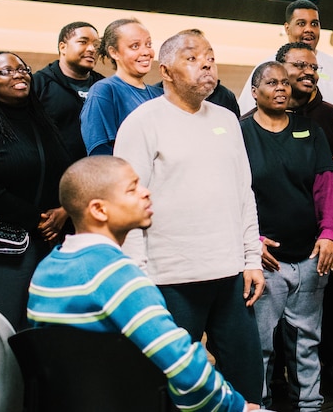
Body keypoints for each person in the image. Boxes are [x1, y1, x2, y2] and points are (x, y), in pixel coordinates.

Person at [113, 28, 264, 404]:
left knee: (246, 375)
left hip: (229, 276)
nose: (206, 64)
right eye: (193, 57)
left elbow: (243, 193)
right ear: (166, 70)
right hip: (169, 277)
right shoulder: (143, 122)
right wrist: (138, 273)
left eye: (210, 56)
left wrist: (252, 259)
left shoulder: (228, 120)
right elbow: (126, 203)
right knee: (167, 383)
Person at [27, 156, 247, 412]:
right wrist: (236, 407)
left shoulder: (45, 271)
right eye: (132, 189)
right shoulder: (116, 275)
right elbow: (182, 366)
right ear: (99, 210)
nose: (146, 193)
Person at [240, 61, 333, 411]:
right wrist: (251, 244)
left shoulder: (308, 130)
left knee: (306, 342)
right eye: (271, 83)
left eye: (284, 82)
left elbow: (326, 186)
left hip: (311, 257)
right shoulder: (240, 133)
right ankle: (259, 405)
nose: (280, 88)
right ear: (255, 92)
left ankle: (309, 406)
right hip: (263, 262)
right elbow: (232, 196)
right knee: (260, 344)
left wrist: (329, 233)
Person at [0, 52, 72, 330]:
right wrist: (38, 219)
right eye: (6, 71)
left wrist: (62, 210)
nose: (18, 74)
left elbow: (63, 174)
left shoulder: (45, 126)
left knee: (38, 329)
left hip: (46, 240)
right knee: (2, 329)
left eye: (22, 69)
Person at [237, 0, 333, 114]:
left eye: (314, 24)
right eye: (301, 23)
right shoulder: (265, 69)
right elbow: (245, 114)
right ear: (287, 28)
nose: (309, 29)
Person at [80, 18, 162, 156]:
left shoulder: (160, 95)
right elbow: (101, 154)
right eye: (135, 46)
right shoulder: (104, 91)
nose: (146, 52)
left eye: (148, 44)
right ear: (114, 52)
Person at [33, 21, 104, 161]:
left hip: (95, 174)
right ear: (63, 47)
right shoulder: (38, 84)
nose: (92, 49)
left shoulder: (104, 87)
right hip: (52, 176)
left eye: (96, 45)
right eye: (83, 42)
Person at [277, 42, 333, 154]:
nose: (310, 72)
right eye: (300, 65)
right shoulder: (259, 117)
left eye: (314, 68)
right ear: (279, 69)